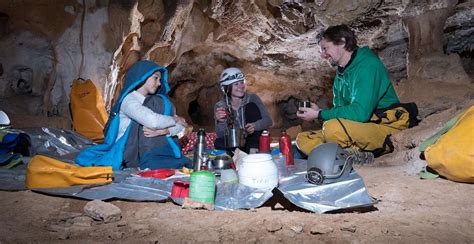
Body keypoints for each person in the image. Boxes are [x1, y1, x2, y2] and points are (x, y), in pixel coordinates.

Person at [296, 25, 418, 157]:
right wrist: (318, 112)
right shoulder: (341, 73)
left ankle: (346, 155)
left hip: (385, 125)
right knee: (302, 139)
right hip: (361, 125)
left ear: (342, 42)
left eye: (325, 48)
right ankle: (341, 154)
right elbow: (341, 112)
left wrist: (320, 115)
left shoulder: (367, 65)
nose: (322, 55)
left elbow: (360, 113)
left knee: (332, 129)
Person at [76, 60, 189, 170]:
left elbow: (182, 126)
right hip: (127, 150)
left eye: (160, 80)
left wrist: (165, 131)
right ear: (143, 76)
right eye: (155, 78)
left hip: (142, 146)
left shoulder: (151, 102)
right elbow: (153, 121)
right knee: (154, 115)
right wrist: (174, 119)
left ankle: (160, 158)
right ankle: (156, 160)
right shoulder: (129, 101)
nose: (159, 83)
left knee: (162, 102)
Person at [214, 67, 273, 153]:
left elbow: (268, 121)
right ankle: (236, 156)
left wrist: (255, 125)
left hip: (253, 140)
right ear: (226, 88)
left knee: (251, 107)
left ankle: (253, 151)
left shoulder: (252, 98)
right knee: (218, 142)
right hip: (237, 142)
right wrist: (221, 121)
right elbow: (221, 135)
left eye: (242, 82)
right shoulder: (220, 106)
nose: (241, 86)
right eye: (236, 84)